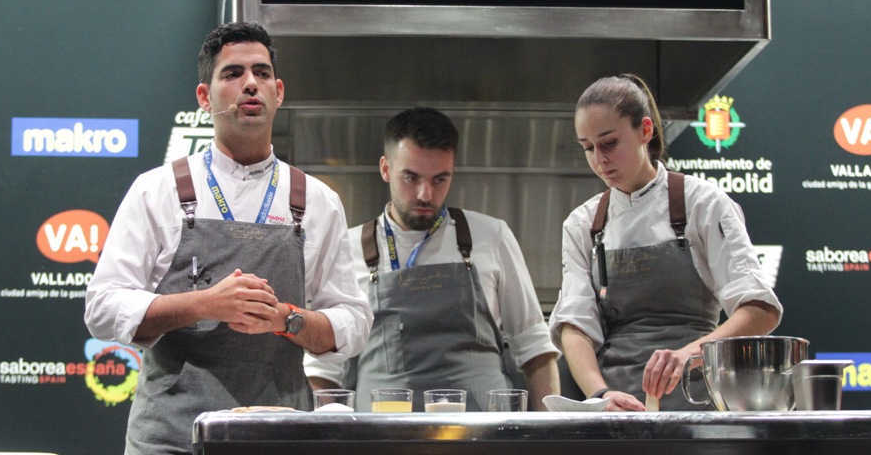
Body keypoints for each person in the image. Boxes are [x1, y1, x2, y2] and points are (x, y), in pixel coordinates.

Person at [84, 21, 372, 455]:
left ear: (279, 92)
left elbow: (353, 323)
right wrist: (205, 304)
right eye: (232, 73)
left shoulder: (316, 202)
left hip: (278, 443)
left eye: (262, 73)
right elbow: (103, 306)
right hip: (170, 447)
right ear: (204, 95)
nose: (250, 84)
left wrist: (286, 318)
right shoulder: (159, 191)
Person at [548, 73, 782, 412]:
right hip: (618, 412)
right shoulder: (582, 224)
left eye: (609, 143)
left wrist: (688, 354)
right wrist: (600, 396)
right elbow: (574, 327)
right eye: (587, 148)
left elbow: (760, 310)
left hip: (697, 403)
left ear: (645, 130)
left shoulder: (702, 204)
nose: (599, 159)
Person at [306, 107, 560, 412]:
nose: (425, 194)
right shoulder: (348, 248)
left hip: (486, 442)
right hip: (381, 444)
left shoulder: (491, 236)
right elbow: (324, 370)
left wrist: (549, 431)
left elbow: (534, 348)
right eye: (411, 178)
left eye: (440, 180)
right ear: (386, 169)